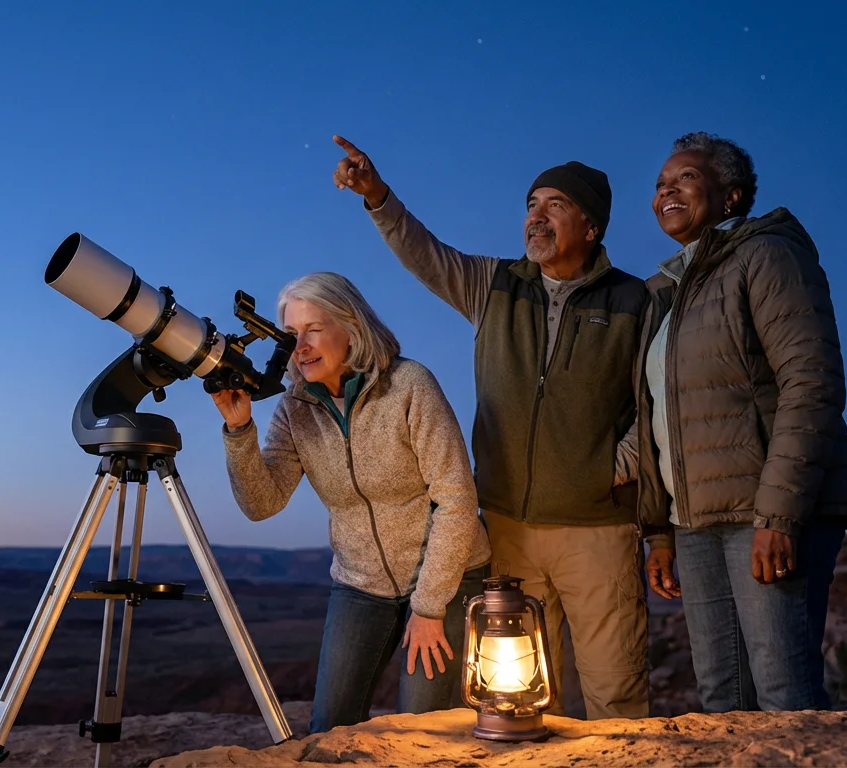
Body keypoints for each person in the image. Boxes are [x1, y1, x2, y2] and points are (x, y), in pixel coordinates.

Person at [331, 135, 651, 720]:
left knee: (615, 694)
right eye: (532, 203)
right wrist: (377, 196)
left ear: (592, 227)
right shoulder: (494, 285)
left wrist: (609, 470)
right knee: (514, 699)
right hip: (507, 529)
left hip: (598, 530)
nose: (537, 215)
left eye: (555, 205)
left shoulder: (635, 300)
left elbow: (652, 405)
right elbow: (425, 254)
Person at [632, 131, 847, 712]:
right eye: (661, 183)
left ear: (731, 196)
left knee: (783, 694)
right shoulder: (668, 291)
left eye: (685, 178)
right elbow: (655, 417)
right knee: (722, 699)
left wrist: (779, 516)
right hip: (696, 521)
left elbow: (811, 380)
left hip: (765, 515)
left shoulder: (767, 254)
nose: (666, 190)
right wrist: (660, 532)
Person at [210, 271, 491, 734]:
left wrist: (429, 608)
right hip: (361, 584)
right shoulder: (294, 408)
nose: (299, 346)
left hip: (450, 578)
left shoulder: (409, 385)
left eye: (313, 330)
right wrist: (240, 431)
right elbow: (262, 503)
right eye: (290, 334)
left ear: (352, 327)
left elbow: (457, 500)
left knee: (424, 729)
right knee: (330, 727)